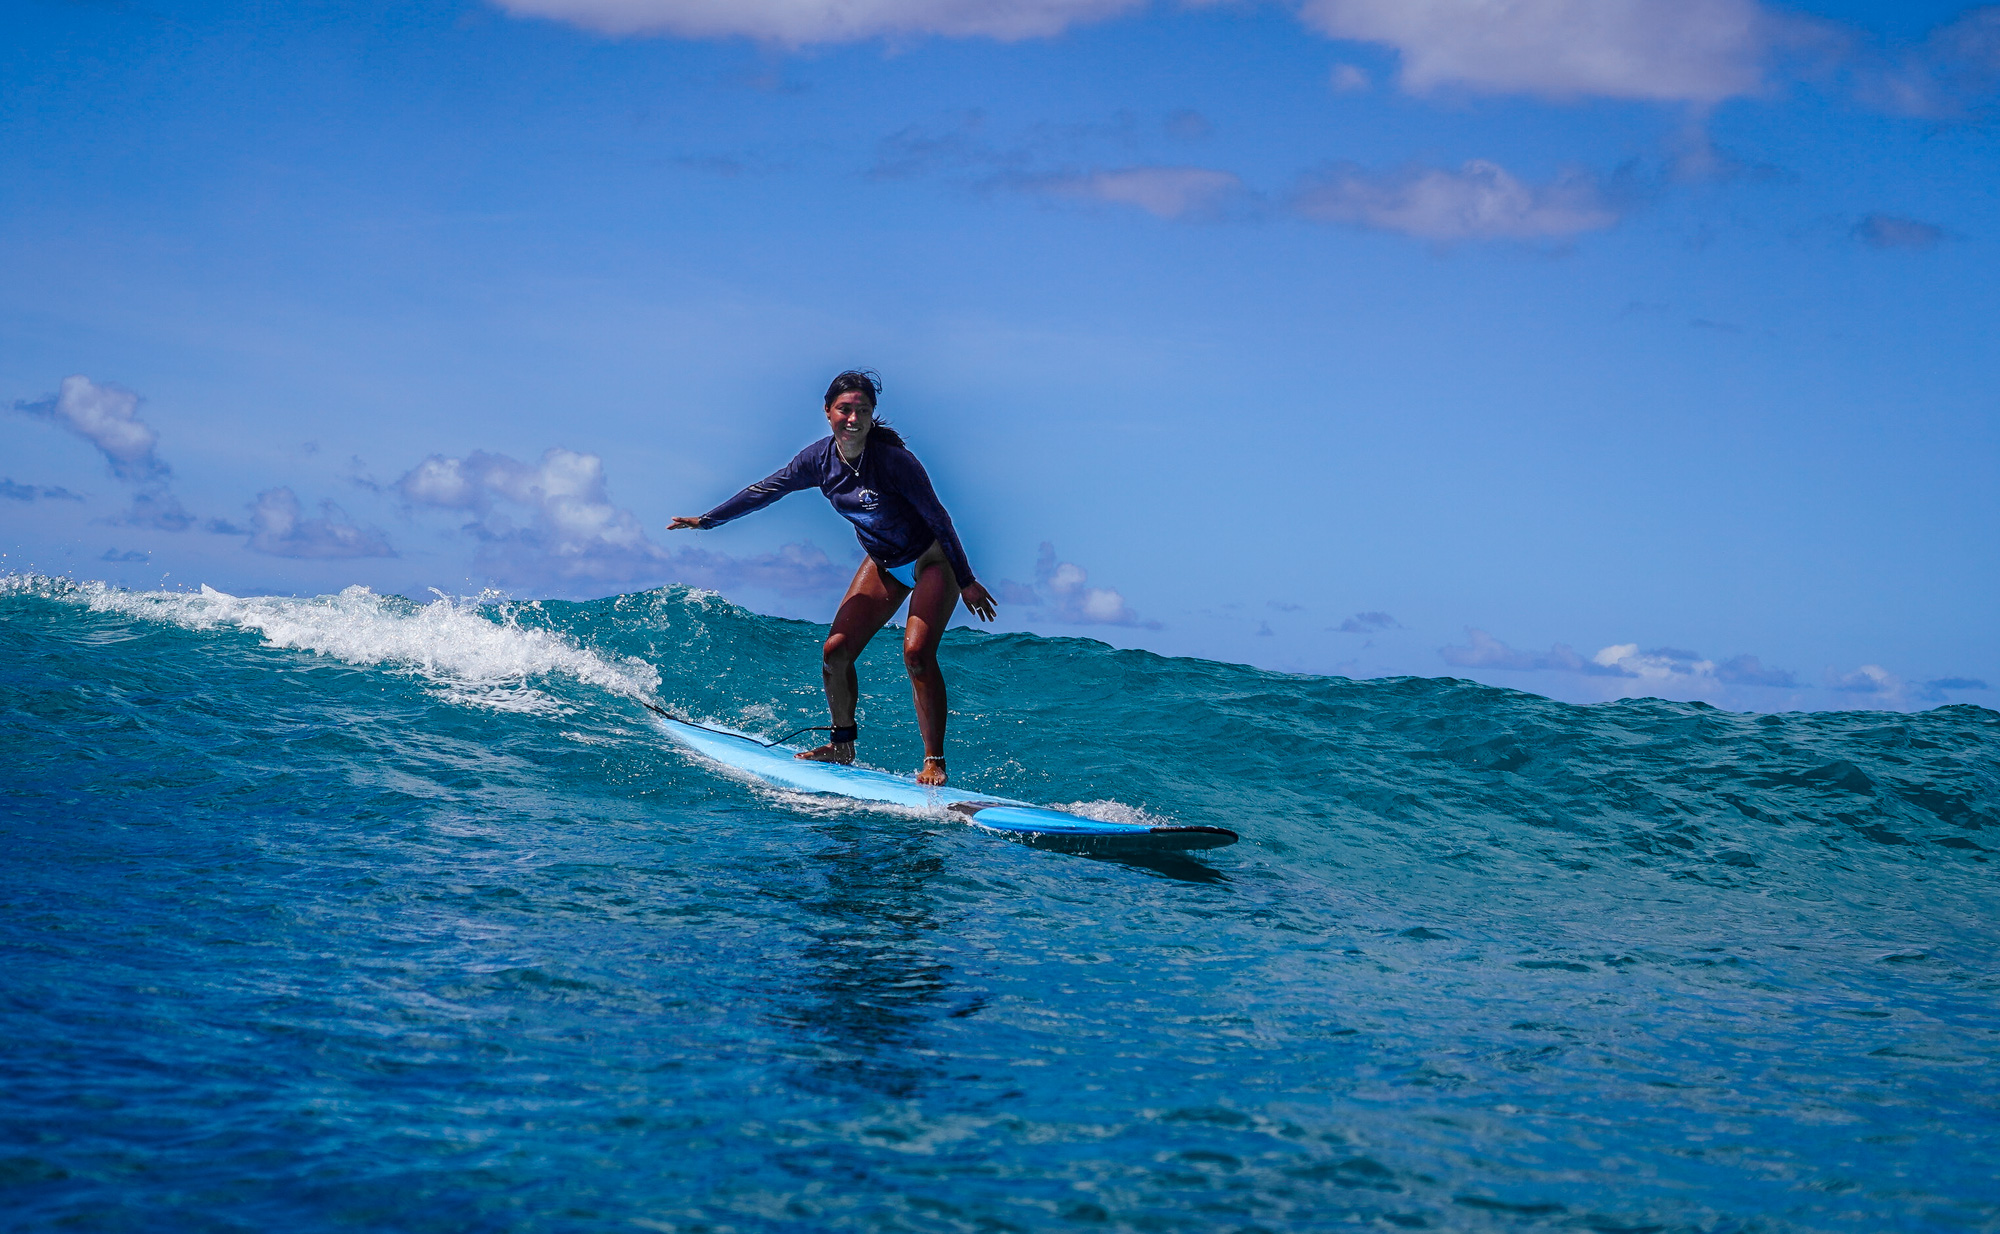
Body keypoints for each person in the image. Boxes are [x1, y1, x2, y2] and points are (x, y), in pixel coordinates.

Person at [670, 370, 997, 786]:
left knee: (916, 654)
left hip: (931, 561)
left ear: (872, 415)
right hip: (883, 562)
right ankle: (842, 744)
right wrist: (707, 520)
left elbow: (939, 518)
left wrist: (966, 580)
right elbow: (766, 490)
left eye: (863, 410)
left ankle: (934, 760)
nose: (853, 418)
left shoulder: (895, 462)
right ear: (827, 412)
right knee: (835, 652)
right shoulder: (818, 461)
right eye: (845, 409)